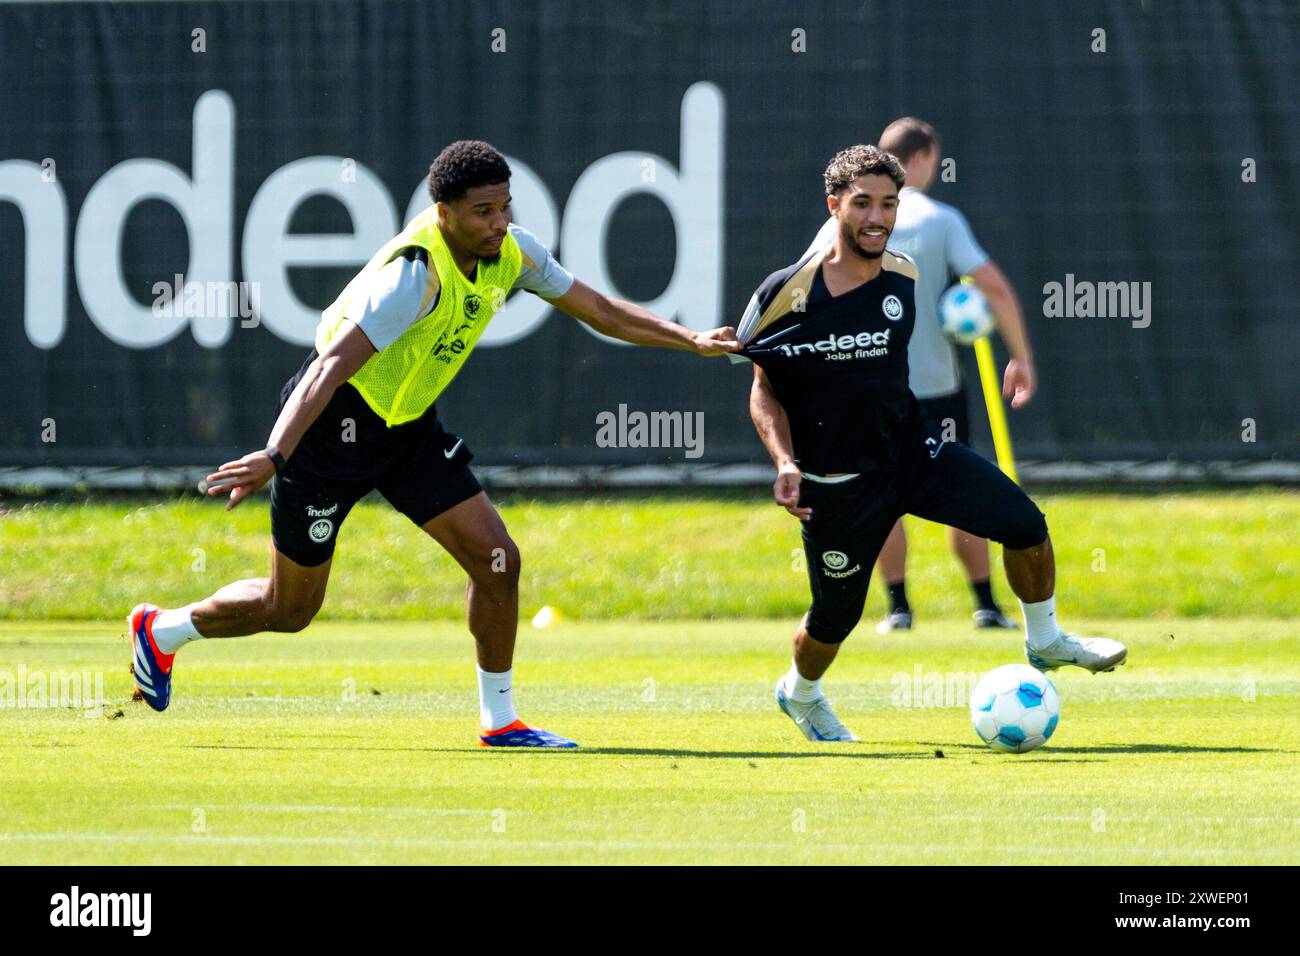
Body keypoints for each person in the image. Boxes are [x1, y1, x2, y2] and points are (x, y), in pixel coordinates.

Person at [128, 140, 739, 748]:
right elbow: (327, 369)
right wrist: (275, 454)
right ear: (444, 212)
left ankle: (501, 722)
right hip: (328, 433)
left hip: (410, 430)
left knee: (499, 561)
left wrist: (691, 340)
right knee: (290, 612)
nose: (499, 223)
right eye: (482, 212)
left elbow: (602, 311)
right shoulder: (410, 279)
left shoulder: (514, 252)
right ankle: (163, 631)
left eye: (504, 207)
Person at [737, 144, 1126, 743]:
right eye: (862, 203)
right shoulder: (783, 296)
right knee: (832, 622)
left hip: (915, 453)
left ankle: (1045, 639)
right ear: (833, 204)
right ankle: (801, 692)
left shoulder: (902, 274)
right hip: (837, 485)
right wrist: (786, 461)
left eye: (888, 204)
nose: (877, 217)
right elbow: (764, 393)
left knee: (1025, 523)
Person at [800, 118, 1035, 633]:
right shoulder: (940, 219)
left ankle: (899, 608)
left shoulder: (837, 222)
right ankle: (985, 605)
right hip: (935, 388)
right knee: (962, 496)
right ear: (924, 158)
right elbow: (992, 284)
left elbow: (803, 296)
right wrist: (1020, 356)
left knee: (884, 502)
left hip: (868, 395)